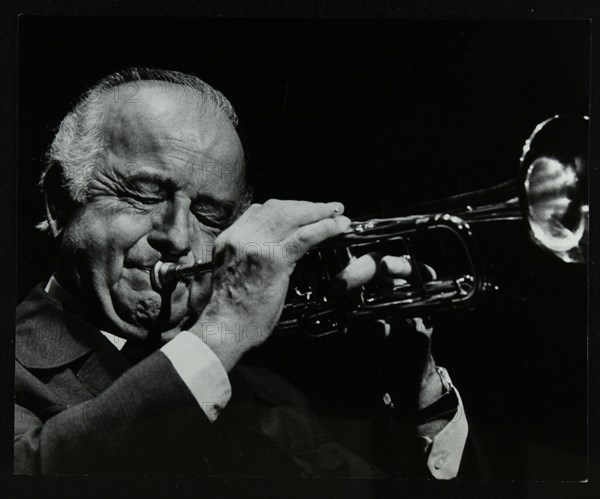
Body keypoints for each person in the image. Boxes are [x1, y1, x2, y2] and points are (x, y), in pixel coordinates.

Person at [15, 68, 473, 477]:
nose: (177, 238)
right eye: (146, 193)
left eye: (210, 216)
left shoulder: (271, 400)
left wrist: (420, 394)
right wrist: (223, 327)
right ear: (60, 202)